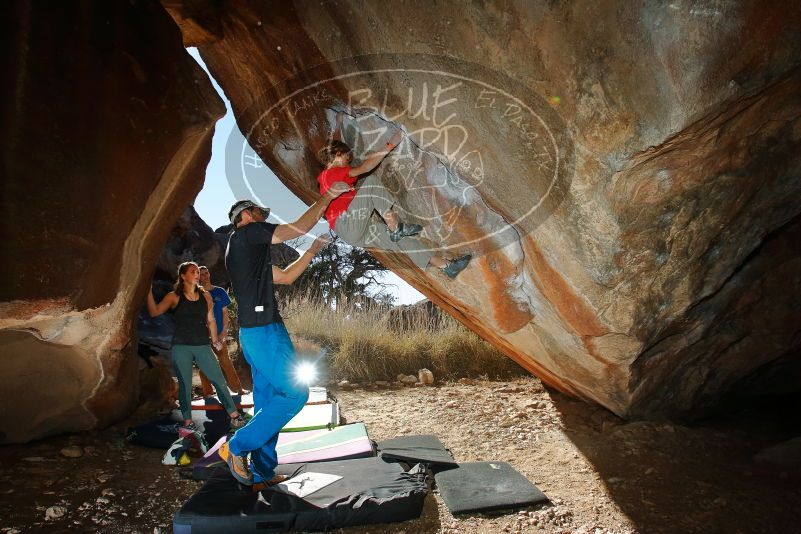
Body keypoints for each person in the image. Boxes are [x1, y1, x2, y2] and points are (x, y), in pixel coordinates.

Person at [219, 179, 352, 486]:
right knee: (295, 394)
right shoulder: (245, 234)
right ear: (245, 215)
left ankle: (262, 471)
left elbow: (288, 276)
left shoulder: (248, 256)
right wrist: (326, 198)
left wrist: (314, 249)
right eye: (258, 215)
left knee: (268, 402)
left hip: (258, 335)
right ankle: (235, 447)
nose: (263, 220)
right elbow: (291, 230)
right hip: (264, 334)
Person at [317, 114, 471, 279]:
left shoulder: (327, 176)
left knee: (399, 240)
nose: (348, 164)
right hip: (347, 223)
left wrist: (339, 124)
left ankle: (446, 266)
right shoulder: (332, 173)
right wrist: (391, 143)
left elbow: (333, 147)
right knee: (371, 183)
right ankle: (395, 226)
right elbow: (365, 167)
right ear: (338, 156)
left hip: (352, 233)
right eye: (346, 159)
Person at [147, 262, 248, 430]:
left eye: (197, 271)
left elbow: (211, 320)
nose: (197, 274)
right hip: (181, 347)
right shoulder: (174, 296)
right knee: (185, 385)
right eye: (193, 271)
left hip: (202, 345)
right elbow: (154, 312)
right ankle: (188, 422)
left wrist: (215, 339)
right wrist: (147, 292)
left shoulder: (206, 296)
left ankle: (235, 416)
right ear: (183, 276)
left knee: (219, 380)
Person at [197, 266, 245, 396]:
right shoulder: (197, 294)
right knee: (205, 363)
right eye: (202, 274)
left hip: (218, 334)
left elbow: (225, 314)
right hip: (202, 335)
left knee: (225, 361)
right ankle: (208, 392)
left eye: (206, 273)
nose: (205, 276)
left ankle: (238, 389)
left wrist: (224, 331)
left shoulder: (220, 292)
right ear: (198, 277)